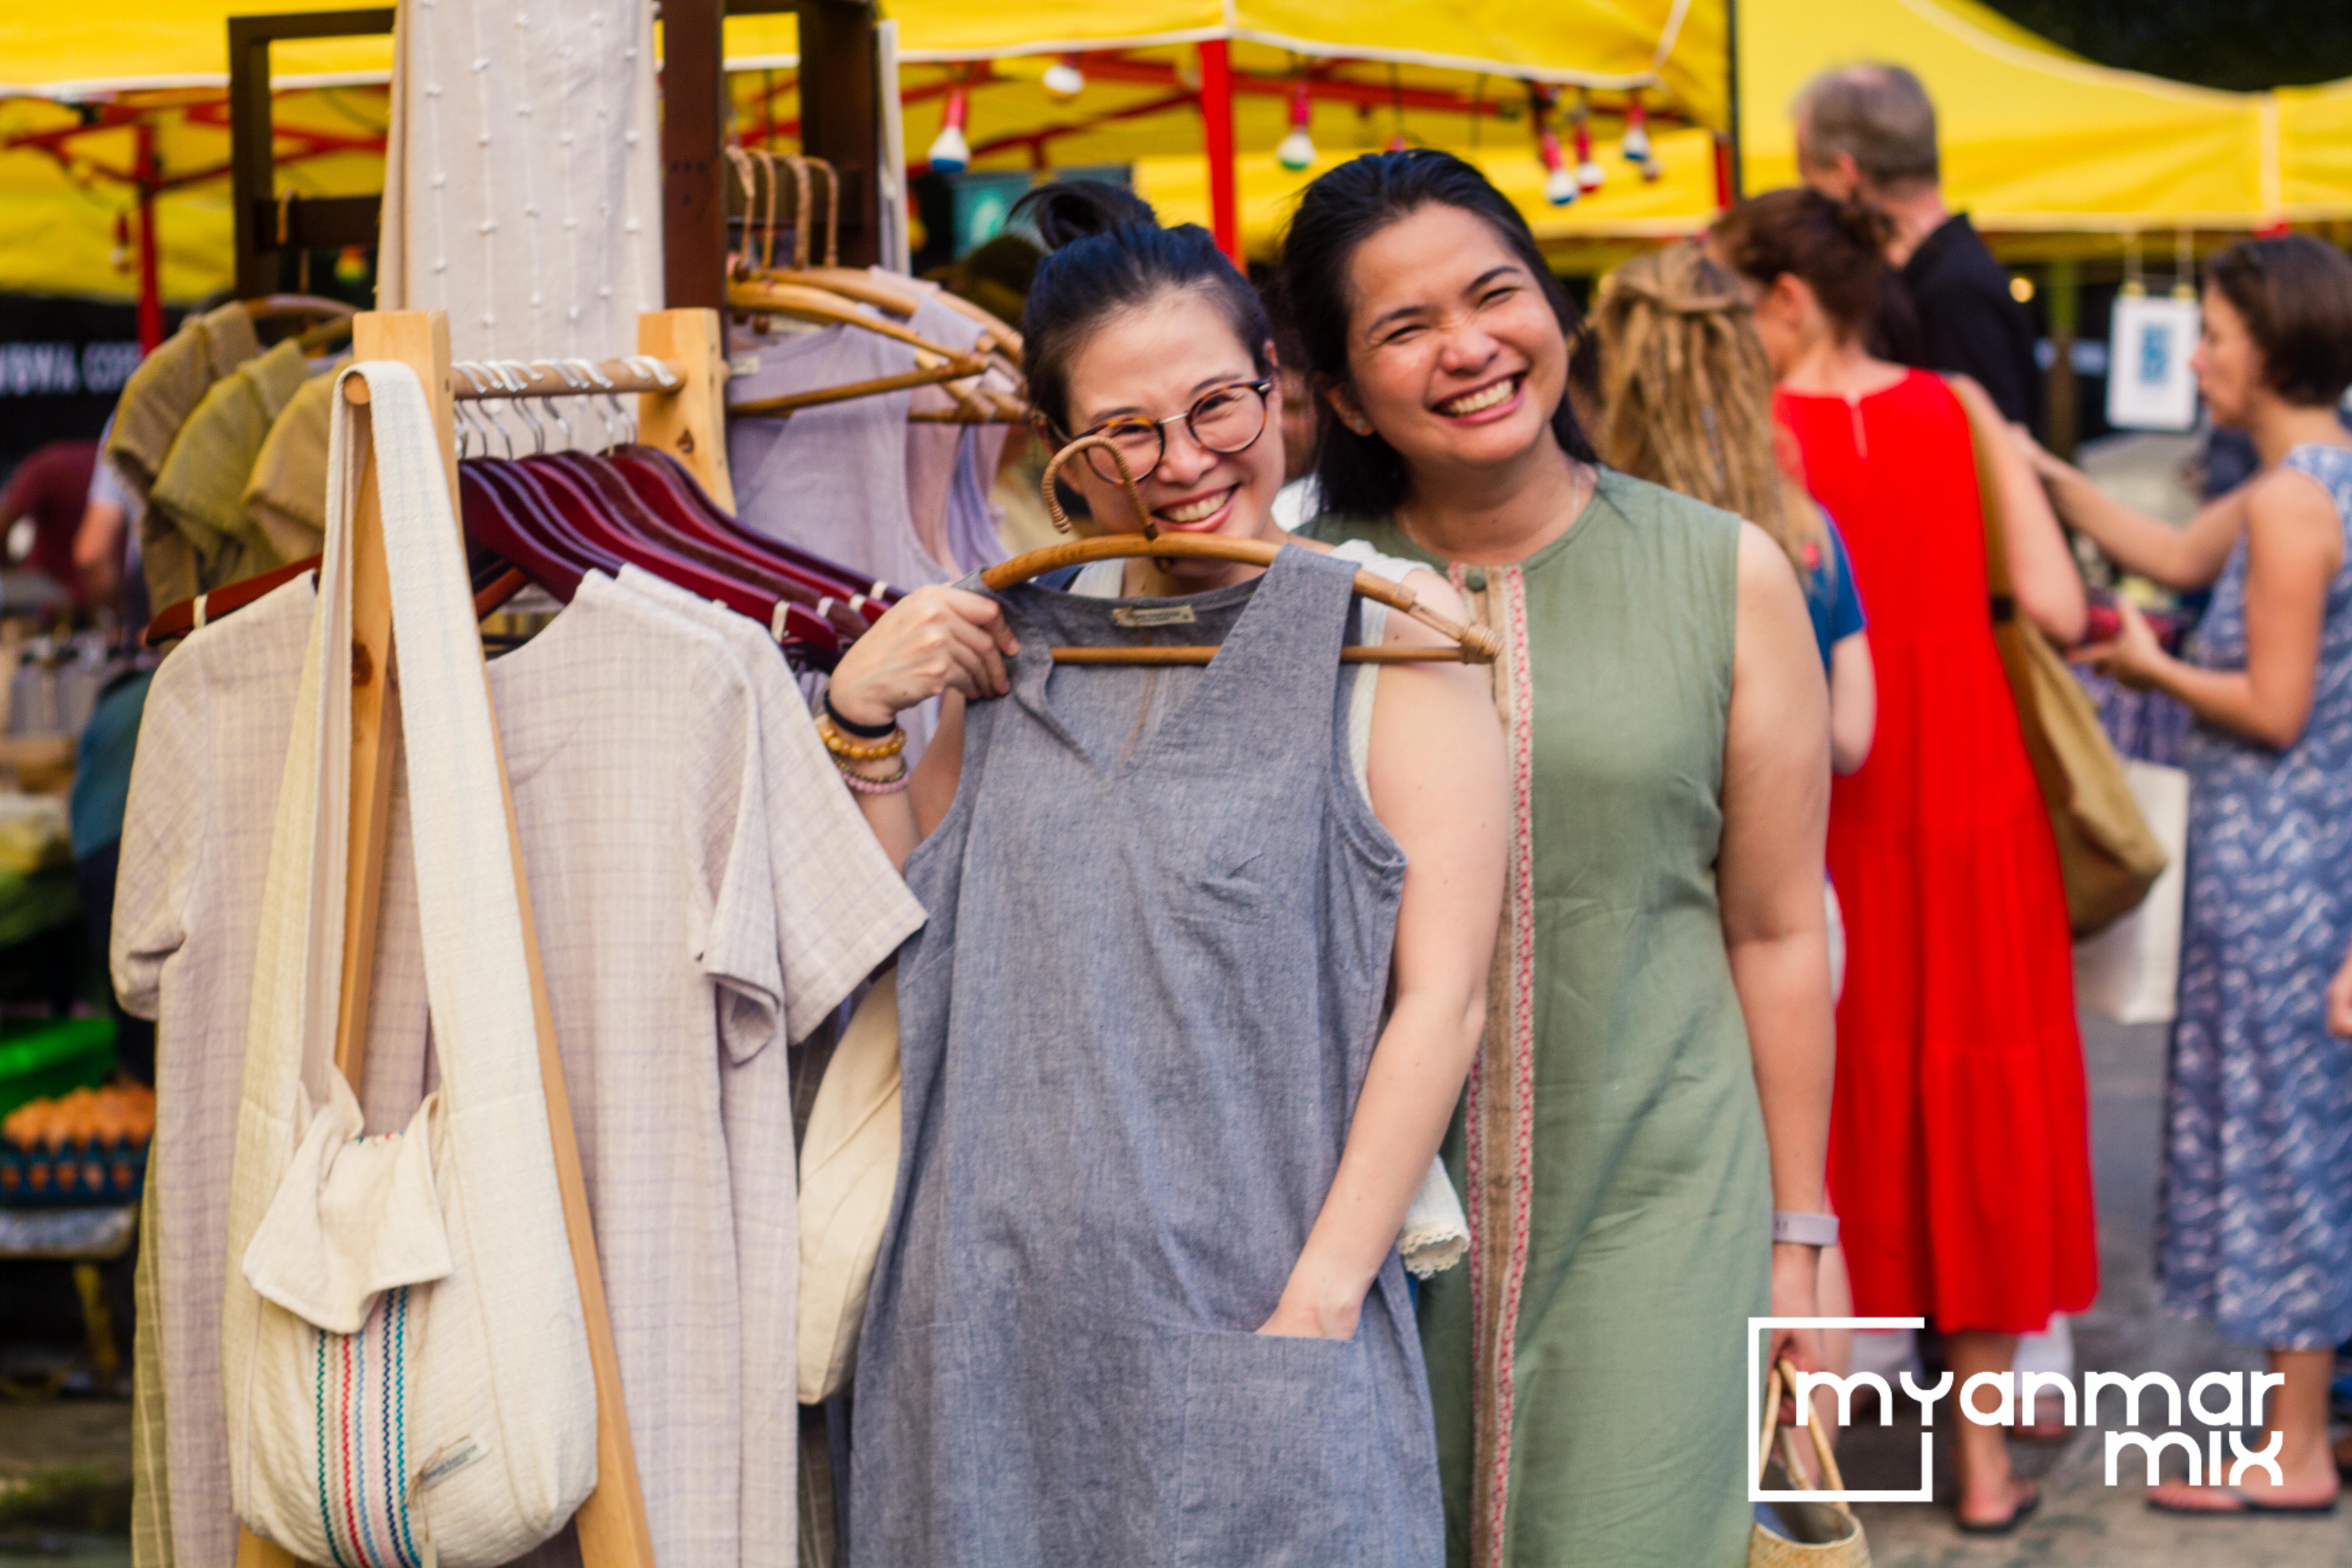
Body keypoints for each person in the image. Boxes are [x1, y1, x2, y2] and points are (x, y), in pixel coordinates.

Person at [823, 181, 1509, 1565]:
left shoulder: (1389, 646)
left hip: (1255, 1318)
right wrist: (860, 720)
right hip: (982, 1341)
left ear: (1279, 389)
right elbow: (916, 944)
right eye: (1125, 432)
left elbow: (1444, 1007)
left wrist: (1320, 1301)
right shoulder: (1010, 652)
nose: (1183, 460)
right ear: (1059, 450)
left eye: (1218, 408)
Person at [1280, 148, 1838, 1568]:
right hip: (1372, 1221)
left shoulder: (1729, 574)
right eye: (1403, 329)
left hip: (1668, 1200)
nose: (1468, 348)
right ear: (1343, 394)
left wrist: (1803, 1239)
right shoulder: (1294, 605)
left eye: (1495, 295)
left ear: (1560, 315)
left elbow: (1778, 931)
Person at [1715, 184, 2093, 1536]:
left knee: (1836, 1105)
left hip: (1827, 799)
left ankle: (1833, 1471)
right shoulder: (1965, 407)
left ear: (1783, 301)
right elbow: (2054, 602)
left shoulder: (1752, 440)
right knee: (1981, 1096)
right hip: (1980, 784)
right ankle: (1985, 1471)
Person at [2016, 232, 2352, 1516]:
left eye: (2214, 332)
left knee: (2283, 1144)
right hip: (2308, 860)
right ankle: (2306, 1424)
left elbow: (2271, 707)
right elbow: (2166, 554)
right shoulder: (2308, 477)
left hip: (2281, 863)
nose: (2198, 354)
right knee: (2302, 1135)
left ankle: (2296, 1446)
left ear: (2271, 345)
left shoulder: (2286, 499)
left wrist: (2149, 670)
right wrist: (2039, 467)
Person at [1795, 63, 2043, 432]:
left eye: (1808, 176)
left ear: (1847, 174)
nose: (1808, 201)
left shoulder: (1953, 293)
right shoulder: (1935, 273)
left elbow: (2001, 456)